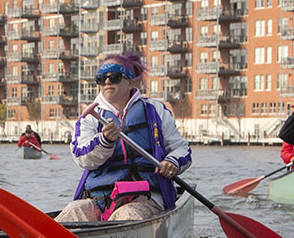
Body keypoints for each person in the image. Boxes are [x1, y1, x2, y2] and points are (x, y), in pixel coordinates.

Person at [56, 51, 192, 223]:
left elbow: (182, 149)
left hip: (146, 196)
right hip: (101, 198)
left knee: (127, 216)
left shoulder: (155, 110)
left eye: (114, 77)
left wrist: (172, 161)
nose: (107, 82)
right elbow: (82, 158)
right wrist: (104, 141)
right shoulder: (90, 117)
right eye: (101, 78)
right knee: (72, 213)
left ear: (131, 82)